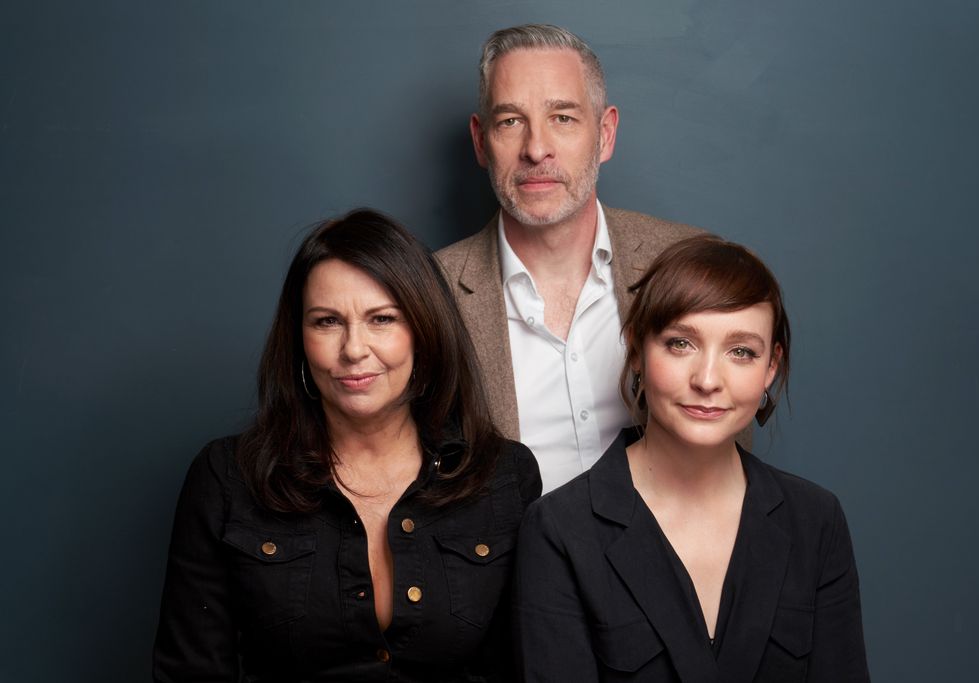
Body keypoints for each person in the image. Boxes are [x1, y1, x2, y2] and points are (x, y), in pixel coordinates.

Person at [154, 209, 540, 682]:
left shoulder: (502, 475)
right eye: (327, 321)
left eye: (382, 319)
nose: (354, 349)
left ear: (424, 331)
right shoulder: (227, 478)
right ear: (299, 340)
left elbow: (521, 667)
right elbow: (191, 673)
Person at [514, 235, 870, 682]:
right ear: (637, 349)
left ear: (771, 368)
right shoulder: (560, 530)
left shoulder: (816, 521)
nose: (707, 379)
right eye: (681, 343)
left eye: (741, 352)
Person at [437, 24, 710, 493]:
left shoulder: (689, 262)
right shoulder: (430, 291)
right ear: (481, 142)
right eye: (510, 121)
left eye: (562, 117)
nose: (536, 148)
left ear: (605, 135)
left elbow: (727, 454)